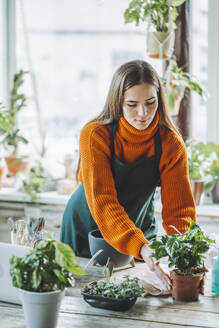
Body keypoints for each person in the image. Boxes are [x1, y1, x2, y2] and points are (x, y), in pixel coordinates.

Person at [60, 59, 196, 288]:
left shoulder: (170, 143)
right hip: (85, 227)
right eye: (132, 104)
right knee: (80, 300)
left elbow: (180, 212)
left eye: (150, 103)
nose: (143, 113)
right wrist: (140, 245)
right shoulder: (95, 134)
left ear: (159, 101)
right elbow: (103, 202)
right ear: (117, 103)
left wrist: (186, 260)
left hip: (139, 229)